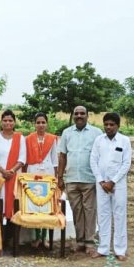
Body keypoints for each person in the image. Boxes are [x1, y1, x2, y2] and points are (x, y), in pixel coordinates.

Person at [57, 105, 102, 256]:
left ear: (88, 116)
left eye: (82, 113)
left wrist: (101, 178)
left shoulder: (96, 133)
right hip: (71, 179)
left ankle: (90, 242)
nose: (79, 116)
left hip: (90, 178)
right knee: (77, 211)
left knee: (90, 210)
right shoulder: (67, 133)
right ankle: (80, 240)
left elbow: (101, 156)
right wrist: (60, 177)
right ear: (73, 116)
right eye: (76, 113)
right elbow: (62, 156)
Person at [89, 112, 132, 260]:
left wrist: (112, 181)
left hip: (118, 185)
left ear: (118, 126)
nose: (108, 127)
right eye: (106, 124)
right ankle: (103, 248)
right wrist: (101, 181)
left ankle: (120, 250)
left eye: (112, 124)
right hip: (101, 184)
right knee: (103, 216)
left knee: (119, 215)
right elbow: (93, 161)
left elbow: (126, 163)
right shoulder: (99, 140)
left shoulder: (124, 141)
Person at [0, 109, 26, 242]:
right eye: (5, 120)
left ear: (14, 122)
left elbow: (22, 159)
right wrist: (3, 171)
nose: (8, 123)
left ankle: (11, 239)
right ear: (1, 122)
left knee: (13, 206)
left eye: (10, 120)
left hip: (14, 178)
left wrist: (11, 171)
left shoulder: (20, 138)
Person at [24, 112, 58, 249]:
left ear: (47, 124)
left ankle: (45, 238)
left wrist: (56, 178)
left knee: (46, 206)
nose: (41, 125)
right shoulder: (28, 139)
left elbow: (55, 161)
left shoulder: (52, 139)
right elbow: (25, 159)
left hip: (48, 174)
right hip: (33, 173)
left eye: (43, 122)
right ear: (34, 124)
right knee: (34, 204)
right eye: (38, 122)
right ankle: (37, 237)